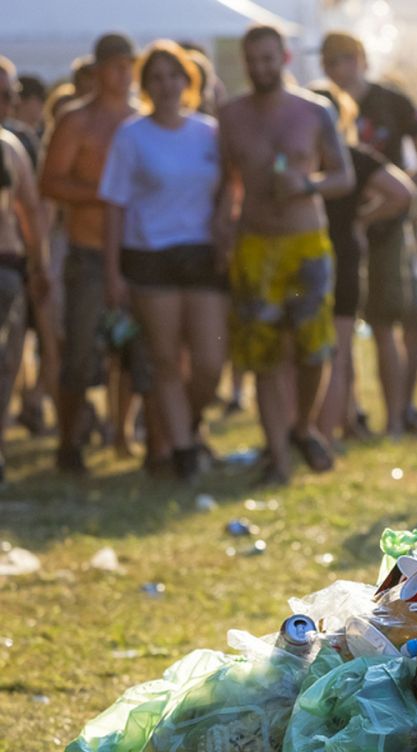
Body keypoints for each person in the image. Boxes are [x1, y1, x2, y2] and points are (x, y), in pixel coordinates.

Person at [215, 24, 355, 484]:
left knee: (314, 349)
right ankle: (277, 455)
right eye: (253, 61)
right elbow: (225, 185)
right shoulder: (231, 115)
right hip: (255, 245)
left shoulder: (315, 111)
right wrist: (222, 237)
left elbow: (343, 176)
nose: (260, 69)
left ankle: (303, 426)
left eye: (268, 59)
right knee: (264, 355)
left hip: (306, 242)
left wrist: (307, 184)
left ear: (285, 58)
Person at [98, 42, 228, 481]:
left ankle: (180, 428)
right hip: (149, 257)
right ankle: (184, 454)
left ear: (188, 80)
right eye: (156, 77)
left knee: (210, 364)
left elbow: (231, 189)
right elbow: (113, 206)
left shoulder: (209, 131)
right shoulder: (131, 135)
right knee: (167, 361)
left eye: (174, 75)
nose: (166, 84)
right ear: (146, 85)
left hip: (202, 256)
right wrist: (113, 271)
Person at [320, 31, 417, 438]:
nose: (338, 66)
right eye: (330, 59)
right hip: (333, 231)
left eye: (345, 57)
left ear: (362, 58)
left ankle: (395, 419)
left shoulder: (392, 101)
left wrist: (382, 203)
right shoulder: (318, 104)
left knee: (386, 323)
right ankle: (350, 416)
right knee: (340, 328)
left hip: (385, 230)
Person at [38, 33, 138, 475]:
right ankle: (69, 440)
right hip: (89, 250)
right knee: (79, 353)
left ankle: (124, 433)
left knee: (136, 354)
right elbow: (50, 182)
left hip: (137, 252)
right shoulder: (76, 121)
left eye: (127, 65)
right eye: (114, 66)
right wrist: (106, 194)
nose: (122, 74)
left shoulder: (142, 120)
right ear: (98, 71)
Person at [309, 83, 415, 445]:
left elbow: (403, 194)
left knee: (313, 352)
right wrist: (362, 219)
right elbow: (401, 193)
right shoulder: (355, 157)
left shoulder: (302, 159)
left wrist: (362, 220)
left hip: (312, 256)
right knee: (338, 352)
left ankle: (316, 434)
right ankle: (328, 433)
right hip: (343, 256)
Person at [0, 109, 51, 484]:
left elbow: (30, 210)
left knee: (6, 364)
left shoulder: (9, 147)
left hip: (7, 269)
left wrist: (39, 265)